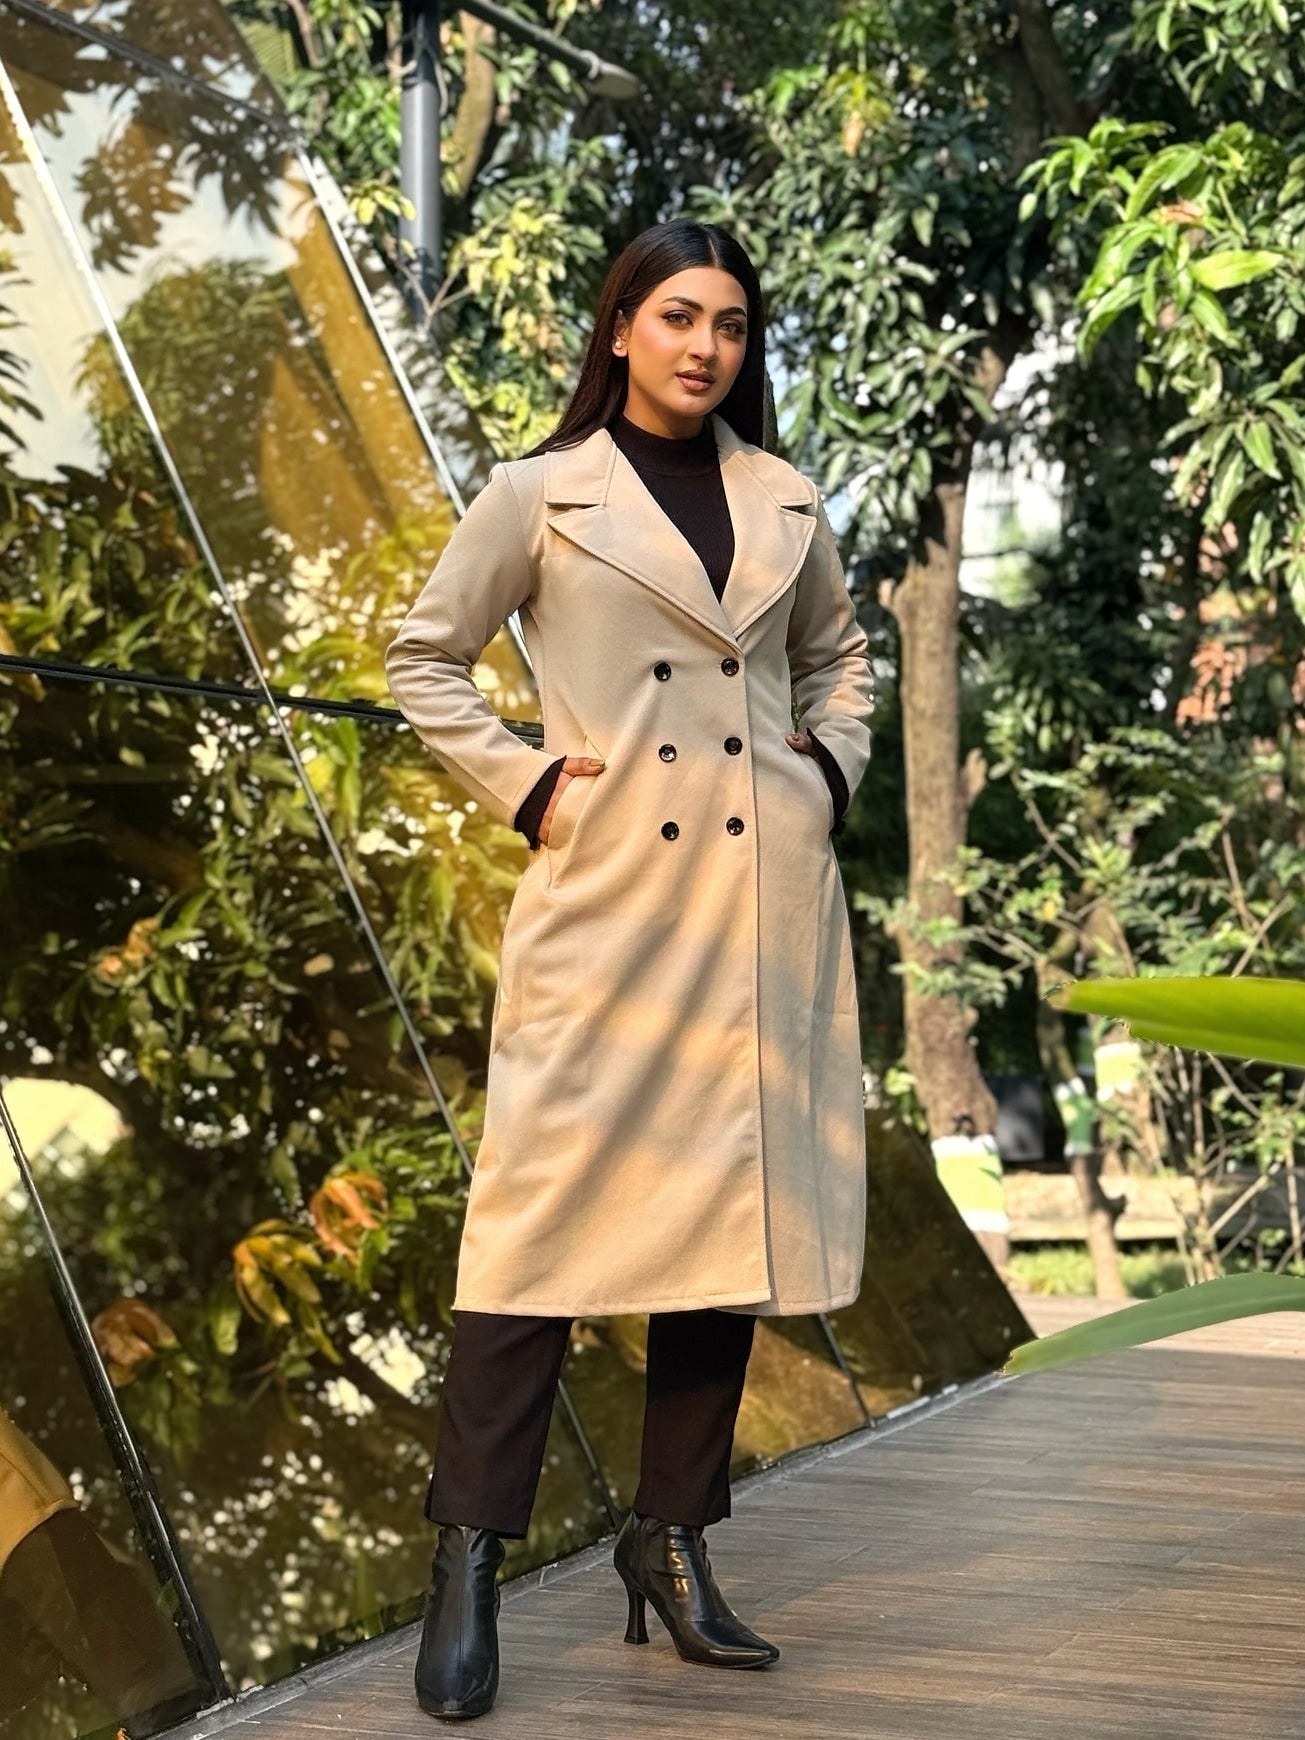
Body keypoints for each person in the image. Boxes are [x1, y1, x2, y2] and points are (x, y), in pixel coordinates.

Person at [384, 218, 875, 1722]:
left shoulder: (786, 499)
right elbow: (422, 657)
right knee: (532, 1236)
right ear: (617, 329)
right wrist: (533, 788)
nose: (702, 346)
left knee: (719, 1231)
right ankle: (466, 1559)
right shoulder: (541, 495)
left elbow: (841, 660)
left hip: (757, 900)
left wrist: (831, 775)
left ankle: (669, 1542)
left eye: (729, 322)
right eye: (675, 315)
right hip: (608, 907)